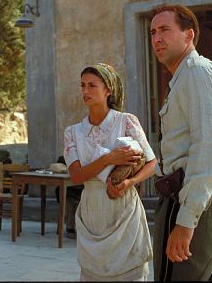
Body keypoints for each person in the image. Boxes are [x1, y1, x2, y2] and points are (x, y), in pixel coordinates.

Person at [149, 4, 212, 281]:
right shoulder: (184, 77)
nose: (157, 38)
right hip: (184, 198)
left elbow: (208, 152)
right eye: (152, 32)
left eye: (164, 30)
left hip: (194, 202)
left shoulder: (199, 74)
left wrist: (186, 221)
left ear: (188, 36)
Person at [63, 63, 157, 281]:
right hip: (92, 211)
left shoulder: (127, 122)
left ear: (108, 90)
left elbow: (152, 164)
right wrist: (109, 158)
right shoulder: (72, 133)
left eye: (92, 86)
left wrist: (130, 182)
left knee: (130, 273)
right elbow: (76, 176)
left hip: (124, 208)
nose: (85, 91)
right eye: (83, 85)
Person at [54, 155, 83, 239]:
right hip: (67, 188)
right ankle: (69, 227)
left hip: (82, 188)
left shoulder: (85, 156)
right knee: (69, 197)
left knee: (74, 197)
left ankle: (70, 227)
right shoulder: (63, 158)